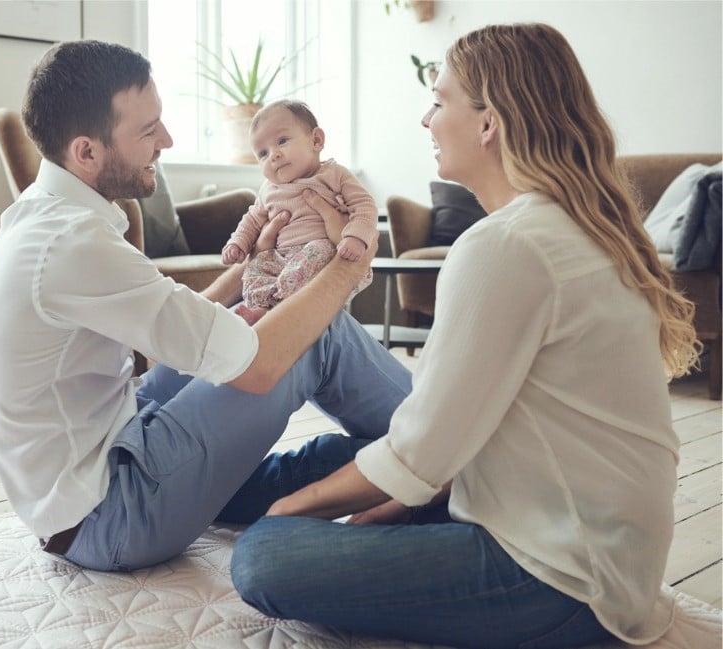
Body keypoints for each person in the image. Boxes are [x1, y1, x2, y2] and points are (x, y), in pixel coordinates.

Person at [230, 22, 701, 649]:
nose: (427, 120)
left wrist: (289, 513)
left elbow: (422, 452)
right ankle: (220, 493)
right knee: (335, 458)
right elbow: (460, 431)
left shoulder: (507, 245)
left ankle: (236, 505)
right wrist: (389, 496)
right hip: (590, 541)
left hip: (563, 578)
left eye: (439, 100)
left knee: (261, 555)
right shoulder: (571, 228)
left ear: (490, 123)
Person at [0, 40, 414, 573]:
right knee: (315, 333)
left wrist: (254, 266)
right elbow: (260, 365)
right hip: (113, 513)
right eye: (148, 130)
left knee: (284, 324)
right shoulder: (72, 242)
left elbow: (174, 319)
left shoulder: (41, 218)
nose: (168, 140)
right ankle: (450, 452)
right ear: (86, 152)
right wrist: (347, 265)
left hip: (105, 455)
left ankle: (391, 464)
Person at [222, 100, 376, 325]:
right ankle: (262, 308)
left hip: (319, 251)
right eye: (262, 154)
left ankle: (285, 308)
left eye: (282, 141)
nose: (273, 155)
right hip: (280, 256)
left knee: (317, 251)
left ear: (316, 140)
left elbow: (364, 205)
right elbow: (252, 220)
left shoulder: (334, 174)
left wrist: (355, 237)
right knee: (255, 267)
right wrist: (237, 243)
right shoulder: (268, 190)